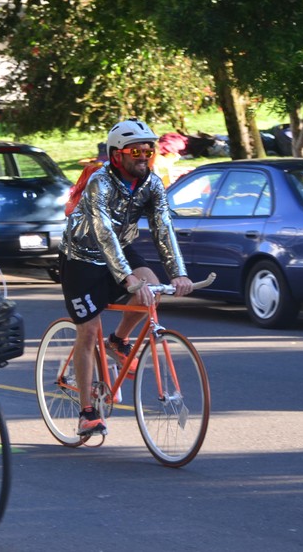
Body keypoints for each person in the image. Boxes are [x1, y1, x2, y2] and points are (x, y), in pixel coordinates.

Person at [59, 118, 194, 436]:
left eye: (149, 149)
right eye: (136, 150)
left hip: (120, 248)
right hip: (81, 256)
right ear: (117, 155)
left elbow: (163, 228)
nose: (144, 155)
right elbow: (103, 234)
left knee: (152, 286)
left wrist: (179, 274)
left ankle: (118, 341)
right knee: (88, 331)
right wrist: (127, 279)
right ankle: (87, 412)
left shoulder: (153, 183)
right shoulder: (99, 183)